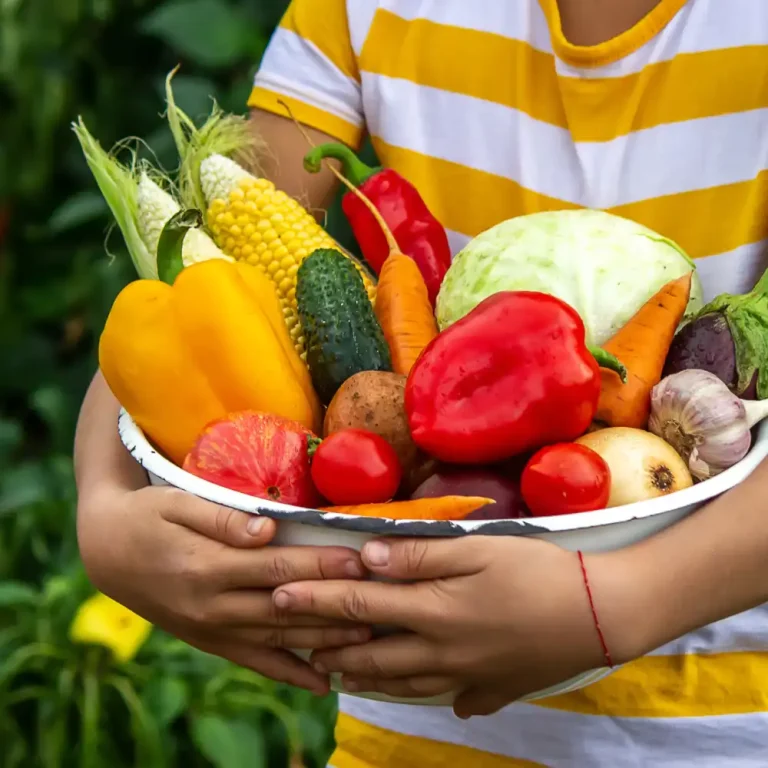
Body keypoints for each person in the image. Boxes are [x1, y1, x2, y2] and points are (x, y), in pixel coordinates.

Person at [75, 0, 768, 765]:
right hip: (405, 736)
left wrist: (629, 602)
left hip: (718, 728)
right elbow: (200, 262)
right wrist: (104, 506)